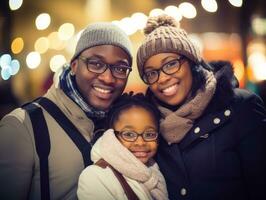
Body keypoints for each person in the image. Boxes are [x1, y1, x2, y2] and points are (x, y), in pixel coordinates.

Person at [136, 14, 266, 200]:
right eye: (151, 73)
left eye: (171, 64)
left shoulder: (241, 107)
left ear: (191, 62)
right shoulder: (149, 126)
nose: (163, 78)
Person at [0, 22, 133, 199]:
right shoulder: (23, 126)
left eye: (120, 69)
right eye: (95, 63)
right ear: (75, 65)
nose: (108, 78)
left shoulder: (122, 124)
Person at [77, 93, 168, 200]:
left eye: (149, 134)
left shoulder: (154, 169)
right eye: (129, 134)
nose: (140, 142)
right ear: (111, 135)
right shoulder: (95, 177)